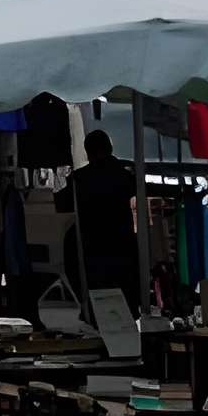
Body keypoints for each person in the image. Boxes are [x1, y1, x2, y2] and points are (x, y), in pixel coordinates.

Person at [60, 128, 138, 307]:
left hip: (90, 245)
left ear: (88, 152)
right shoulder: (124, 174)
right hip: (120, 242)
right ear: (110, 148)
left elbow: (63, 204)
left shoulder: (79, 178)